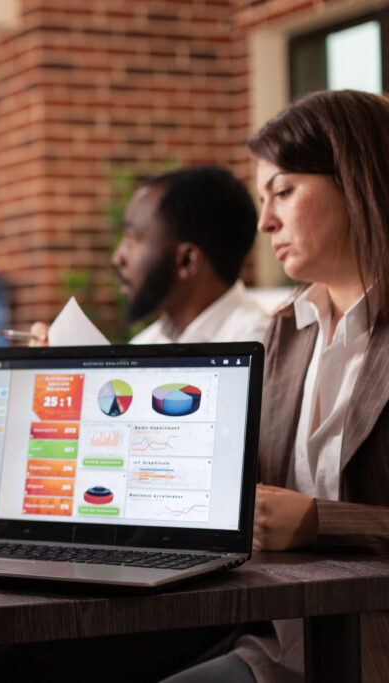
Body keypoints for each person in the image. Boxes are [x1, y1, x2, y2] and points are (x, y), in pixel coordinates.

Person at [160, 89, 389, 683]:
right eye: (264, 199)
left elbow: (305, 517)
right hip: (286, 650)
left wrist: (322, 522)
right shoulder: (286, 332)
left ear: (357, 180)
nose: (265, 222)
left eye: (283, 191)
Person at [29, 165, 270, 345]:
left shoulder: (260, 343)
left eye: (132, 239)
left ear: (187, 261)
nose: (118, 257)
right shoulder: (148, 344)